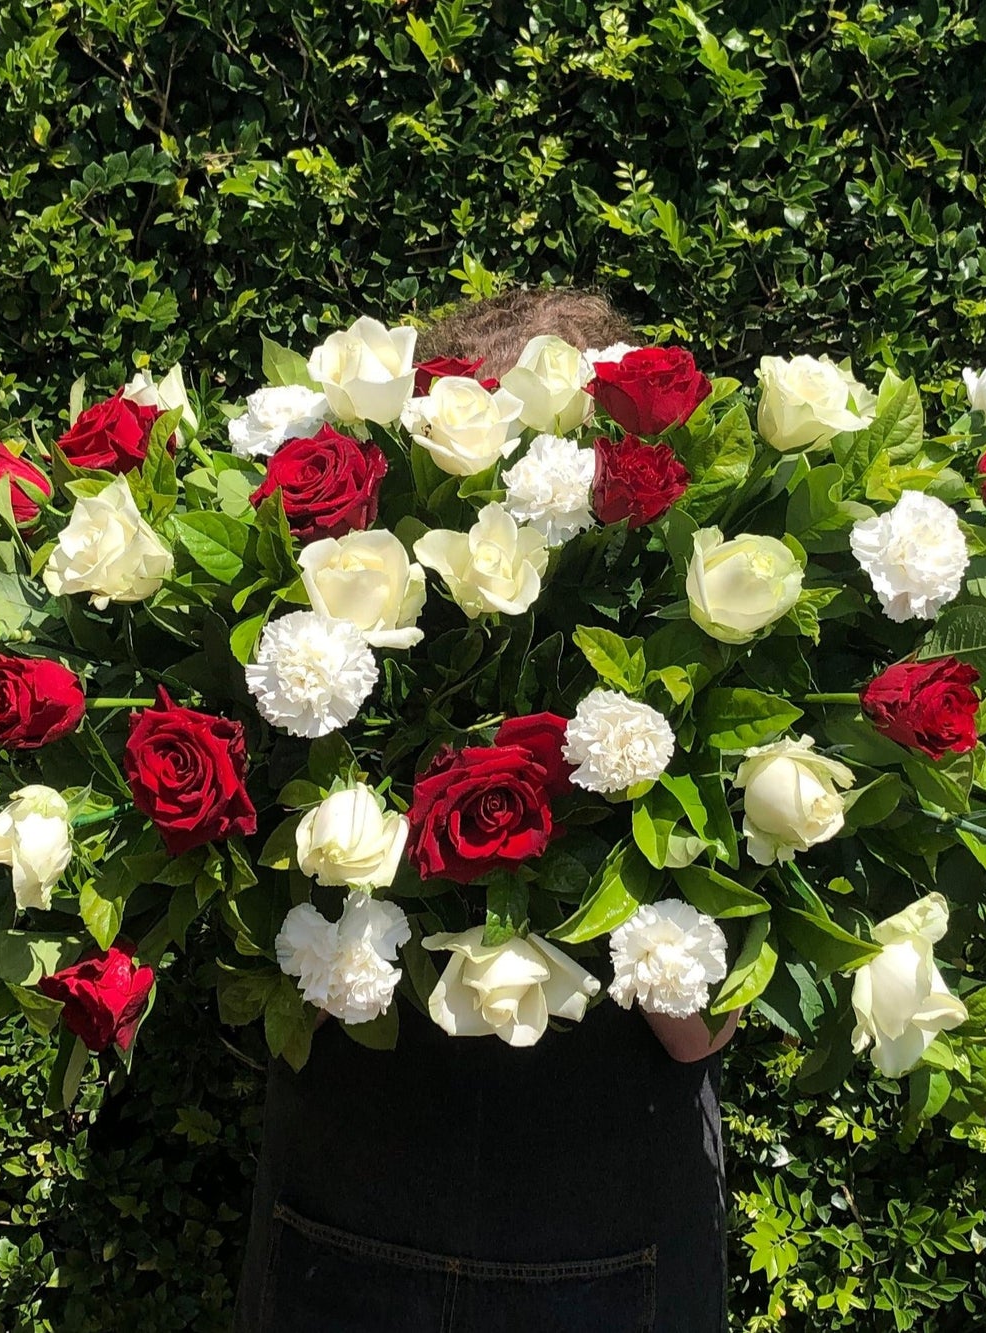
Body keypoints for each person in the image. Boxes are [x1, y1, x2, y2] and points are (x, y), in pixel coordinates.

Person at [235, 290, 738, 1333]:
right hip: (600, 1237)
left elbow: (284, 994)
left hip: (348, 1216)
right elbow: (695, 1036)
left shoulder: (308, 668)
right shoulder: (670, 702)